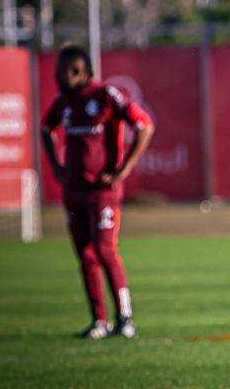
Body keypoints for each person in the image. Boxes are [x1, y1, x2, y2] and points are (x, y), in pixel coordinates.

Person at [40, 44, 154, 339]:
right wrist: (56, 166)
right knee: (86, 255)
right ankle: (99, 321)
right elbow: (45, 129)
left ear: (78, 71)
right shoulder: (64, 102)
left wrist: (123, 169)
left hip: (103, 192)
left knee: (104, 250)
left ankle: (125, 318)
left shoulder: (105, 95)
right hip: (74, 191)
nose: (56, 78)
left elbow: (144, 125)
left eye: (60, 72)